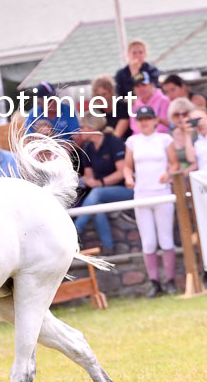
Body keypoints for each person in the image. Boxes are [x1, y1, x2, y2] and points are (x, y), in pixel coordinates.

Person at [124, 104, 179, 297]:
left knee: (166, 238)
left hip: (162, 192)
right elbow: (127, 166)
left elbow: (174, 164)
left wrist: (168, 173)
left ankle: (170, 280)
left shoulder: (164, 139)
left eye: (148, 119)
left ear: (155, 120)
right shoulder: (132, 141)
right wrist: (129, 178)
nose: (145, 123)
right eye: (141, 120)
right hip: (142, 194)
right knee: (148, 241)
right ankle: (154, 282)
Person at [73, 113, 131, 254]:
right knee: (96, 206)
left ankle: (75, 231)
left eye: (83, 126)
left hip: (124, 190)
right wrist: (87, 181)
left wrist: (100, 183)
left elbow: (121, 172)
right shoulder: (88, 148)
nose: (80, 130)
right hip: (100, 195)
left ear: (92, 128)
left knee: (97, 194)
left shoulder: (113, 142)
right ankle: (108, 247)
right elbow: (88, 177)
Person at [89, 74, 130, 138]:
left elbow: (117, 136)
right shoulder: (96, 111)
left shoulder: (123, 107)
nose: (101, 98)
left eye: (104, 94)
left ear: (111, 92)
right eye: (98, 95)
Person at [167, 97, 197, 177]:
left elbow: (198, 159)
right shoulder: (169, 136)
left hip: (197, 175)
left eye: (184, 114)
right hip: (177, 177)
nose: (181, 118)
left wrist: (187, 172)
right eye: (176, 114)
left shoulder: (197, 133)